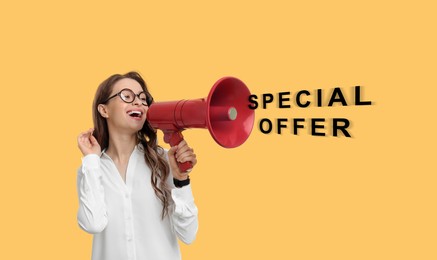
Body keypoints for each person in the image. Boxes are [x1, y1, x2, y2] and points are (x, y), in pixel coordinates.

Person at [76, 71, 198, 260]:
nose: (139, 102)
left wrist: (181, 180)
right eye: (127, 96)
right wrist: (91, 161)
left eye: (143, 98)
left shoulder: (164, 161)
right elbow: (93, 224)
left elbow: (189, 234)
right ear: (104, 110)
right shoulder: (91, 168)